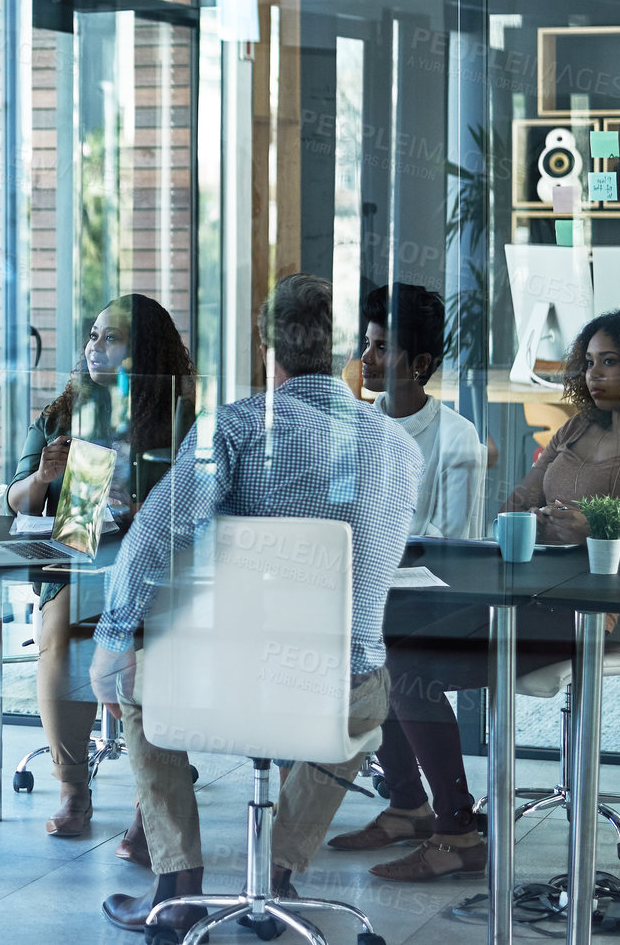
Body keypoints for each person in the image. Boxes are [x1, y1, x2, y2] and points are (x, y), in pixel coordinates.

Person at [336, 304, 620, 882]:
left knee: (410, 668)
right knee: (376, 643)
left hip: (588, 614)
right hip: (525, 594)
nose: (594, 374)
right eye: (589, 362)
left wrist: (602, 529)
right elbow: (517, 502)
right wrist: (533, 518)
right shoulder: (578, 428)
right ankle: (408, 807)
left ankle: (456, 833)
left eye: (610, 362)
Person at [87, 275, 423, 938]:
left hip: (226, 683)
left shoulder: (234, 427)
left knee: (133, 686)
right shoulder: (400, 448)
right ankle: (274, 876)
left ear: (262, 341)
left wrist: (115, 635)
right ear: (346, 350)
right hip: (331, 694)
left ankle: (176, 885)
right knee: (368, 688)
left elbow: (156, 534)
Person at [4, 294, 197, 843]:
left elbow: (203, 503)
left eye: (111, 338)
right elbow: (15, 501)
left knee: (154, 650)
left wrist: (148, 506)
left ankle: (150, 803)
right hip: (80, 556)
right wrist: (43, 478)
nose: (95, 348)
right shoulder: (61, 414)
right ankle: (72, 790)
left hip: (153, 561)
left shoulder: (180, 419)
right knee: (59, 638)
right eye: (92, 336)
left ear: (144, 353)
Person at [360, 283, 484, 538]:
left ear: (420, 363)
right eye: (367, 343)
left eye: (381, 347)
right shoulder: (358, 426)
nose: (366, 357)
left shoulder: (458, 436)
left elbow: (446, 540)